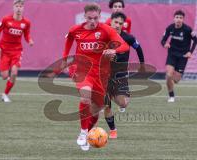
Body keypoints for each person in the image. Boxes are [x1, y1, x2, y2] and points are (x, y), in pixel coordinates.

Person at [61, 3, 129, 151]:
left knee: (97, 109)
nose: (93, 21)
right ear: (85, 17)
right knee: (85, 95)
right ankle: (83, 132)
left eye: (96, 18)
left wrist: (114, 50)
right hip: (83, 70)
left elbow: (124, 46)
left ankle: (87, 135)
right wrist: (65, 59)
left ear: (99, 16)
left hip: (101, 74)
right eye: (90, 18)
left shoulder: (106, 30)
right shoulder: (75, 30)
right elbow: (69, 40)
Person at [104, 12, 145, 139]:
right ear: (110, 22)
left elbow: (138, 48)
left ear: (123, 25)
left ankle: (117, 97)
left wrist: (142, 64)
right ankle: (113, 130)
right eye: (115, 22)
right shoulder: (104, 37)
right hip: (105, 75)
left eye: (120, 23)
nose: (117, 25)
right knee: (106, 103)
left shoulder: (128, 38)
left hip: (120, 75)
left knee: (123, 103)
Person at [0, 0, 34, 102]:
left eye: (21, 6)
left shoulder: (26, 23)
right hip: (4, 50)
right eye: (17, 6)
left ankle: (5, 94)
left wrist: (29, 40)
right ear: (13, 7)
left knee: (14, 73)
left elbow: (26, 34)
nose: (18, 8)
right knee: (4, 76)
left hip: (17, 51)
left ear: (23, 8)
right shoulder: (6, 19)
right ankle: (8, 79)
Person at [161, 10, 197, 102]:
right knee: (168, 75)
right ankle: (171, 96)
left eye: (180, 18)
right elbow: (163, 40)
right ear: (174, 19)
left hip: (183, 56)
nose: (178, 19)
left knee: (176, 80)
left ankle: (171, 83)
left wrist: (190, 52)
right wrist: (165, 44)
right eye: (177, 17)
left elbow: (196, 40)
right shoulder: (170, 28)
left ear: (183, 19)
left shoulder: (187, 29)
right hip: (172, 54)